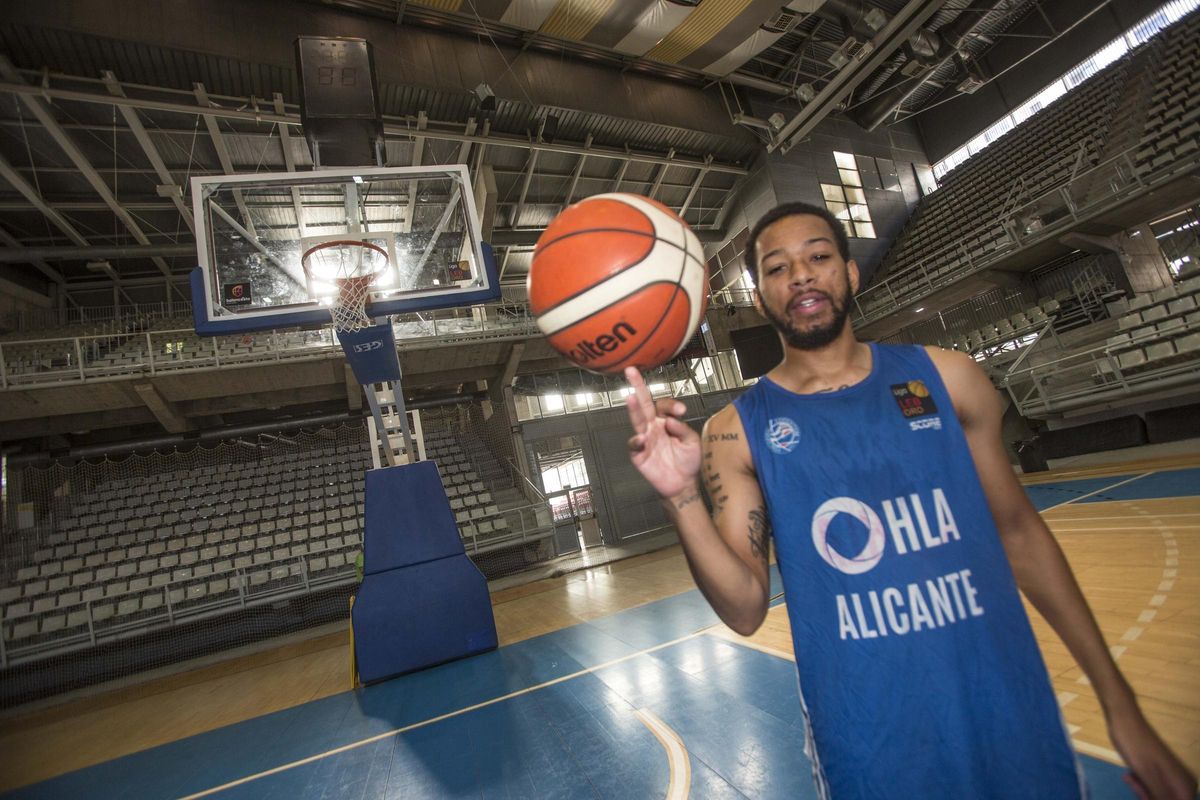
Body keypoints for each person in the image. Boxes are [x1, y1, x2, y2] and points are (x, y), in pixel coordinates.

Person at [623, 202, 1196, 799]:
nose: (801, 275)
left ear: (850, 273)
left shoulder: (949, 380)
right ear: (762, 297)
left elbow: (1021, 536)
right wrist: (680, 496)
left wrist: (1121, 705)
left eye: (818, 257)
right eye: (777, 267)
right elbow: (744, 608)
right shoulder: (733, 431)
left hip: (1009, 710)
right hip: (868, 742)